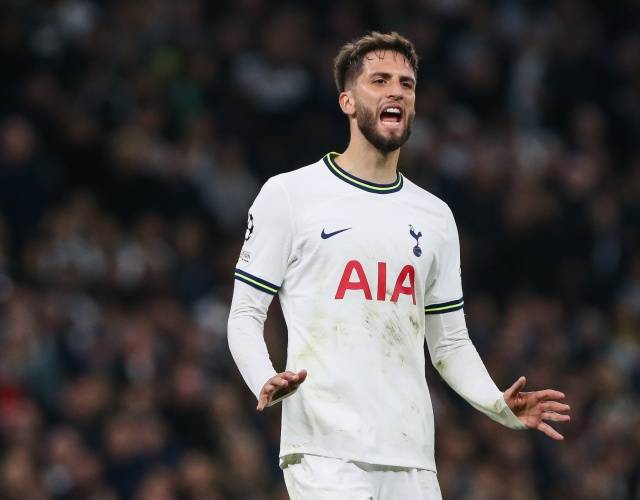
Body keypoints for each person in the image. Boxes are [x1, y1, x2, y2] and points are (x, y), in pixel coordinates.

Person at [228, 31, 570, 499]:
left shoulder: (435, 216)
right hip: (325, 451)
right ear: (348, 101)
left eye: (406, 84)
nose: (396, 91)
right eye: (380, 80)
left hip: (411, 454)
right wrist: (263, 377)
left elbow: (449, 342)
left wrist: (496, 403)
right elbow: (245, 315)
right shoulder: (290, 195)